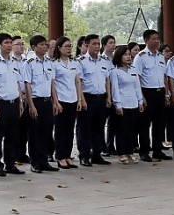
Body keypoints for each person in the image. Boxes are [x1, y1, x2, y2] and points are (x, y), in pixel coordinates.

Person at [0, 33, 25, 176]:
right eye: (6, 43)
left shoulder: (15, 63)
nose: (9, 45)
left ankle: (10, 164)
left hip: (14, 103)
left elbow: (17, 83)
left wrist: (20, 101)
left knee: (12, 136)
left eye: (10, 43)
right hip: (0, 104)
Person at [23, 35, 61, 173]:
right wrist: (31, 105)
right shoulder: (29, 63)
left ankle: (44, 161)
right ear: (34, 47)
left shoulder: (49, 63)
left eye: (46, 44)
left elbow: (52, 83)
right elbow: (27, 85)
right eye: (42, 45)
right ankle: (35, 162)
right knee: (34, 134)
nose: (45, 47)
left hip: (47, 102)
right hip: (35, 101)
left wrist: (55, 101)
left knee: (46, 133)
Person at [132, 30, 172, 162]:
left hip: (160, 92)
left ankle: (157, 150)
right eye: (153, 39)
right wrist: (141, 96)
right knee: (144, 124)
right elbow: (137, 77)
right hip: (147, 92)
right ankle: (144, 151)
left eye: (158, 38)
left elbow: (164, 76)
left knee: (160, 123)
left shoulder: (161, 57)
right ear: (146, 40)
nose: (156, 41)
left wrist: (167, 93)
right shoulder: (141, 57)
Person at [77, 34, 112, 167]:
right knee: (84, 128)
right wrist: (81, 99)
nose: (97, 46)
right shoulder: (80, 61)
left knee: (99, 127)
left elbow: (107, 80)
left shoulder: (104, 61)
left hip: (101, 97)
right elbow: (78, 82)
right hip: (87, 97)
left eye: (98, 44)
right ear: (86, 45)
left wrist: (108, 97)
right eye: (94, 44)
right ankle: (84, 155)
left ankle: (97, 154)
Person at [51, 36, 85, 169]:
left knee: (70, 129)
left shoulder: (74, 63)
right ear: (59, 48)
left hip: (72, 99)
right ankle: (60, 156)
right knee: (60, 130)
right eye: (66, 46)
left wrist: (80, 99)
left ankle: (67, 155)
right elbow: (52, 83)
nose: (69, 48)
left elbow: (77, 81)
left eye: (70, 46)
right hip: (61, 100)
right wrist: (56, 101)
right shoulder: (54, 64)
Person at [109, 45, 145, 164]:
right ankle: (122, 152)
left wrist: (140, 101)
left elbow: (137, 87)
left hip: (133, 103)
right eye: (125, 55)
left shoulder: (133, 70)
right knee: (121, 130)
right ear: (119, 56)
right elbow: (115, 89)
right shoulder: (115, 71)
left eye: (129, 54)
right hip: (122, 103)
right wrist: (117, 105)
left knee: (131, 129)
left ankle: (130, 152)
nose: (128, 57)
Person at [11, 36, 31, 164]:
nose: (21, 46)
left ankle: (22, 153)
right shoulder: (10, 61)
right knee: (14, 129)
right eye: (18, 44)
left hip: (26, 97)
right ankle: (13, 154)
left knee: (25, 129)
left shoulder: (27, 61)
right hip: (14, 97)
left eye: (22, 44)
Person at [101, 34, 118, 155]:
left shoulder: (117, 59)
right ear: (104, 45)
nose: (113, 45)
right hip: (105, 94)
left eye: (114, 43)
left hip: (117, 93)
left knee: (115, 122)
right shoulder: (101, 60)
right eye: (111, 43)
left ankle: (111, 145)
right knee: (101, 122)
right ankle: (103, 147)